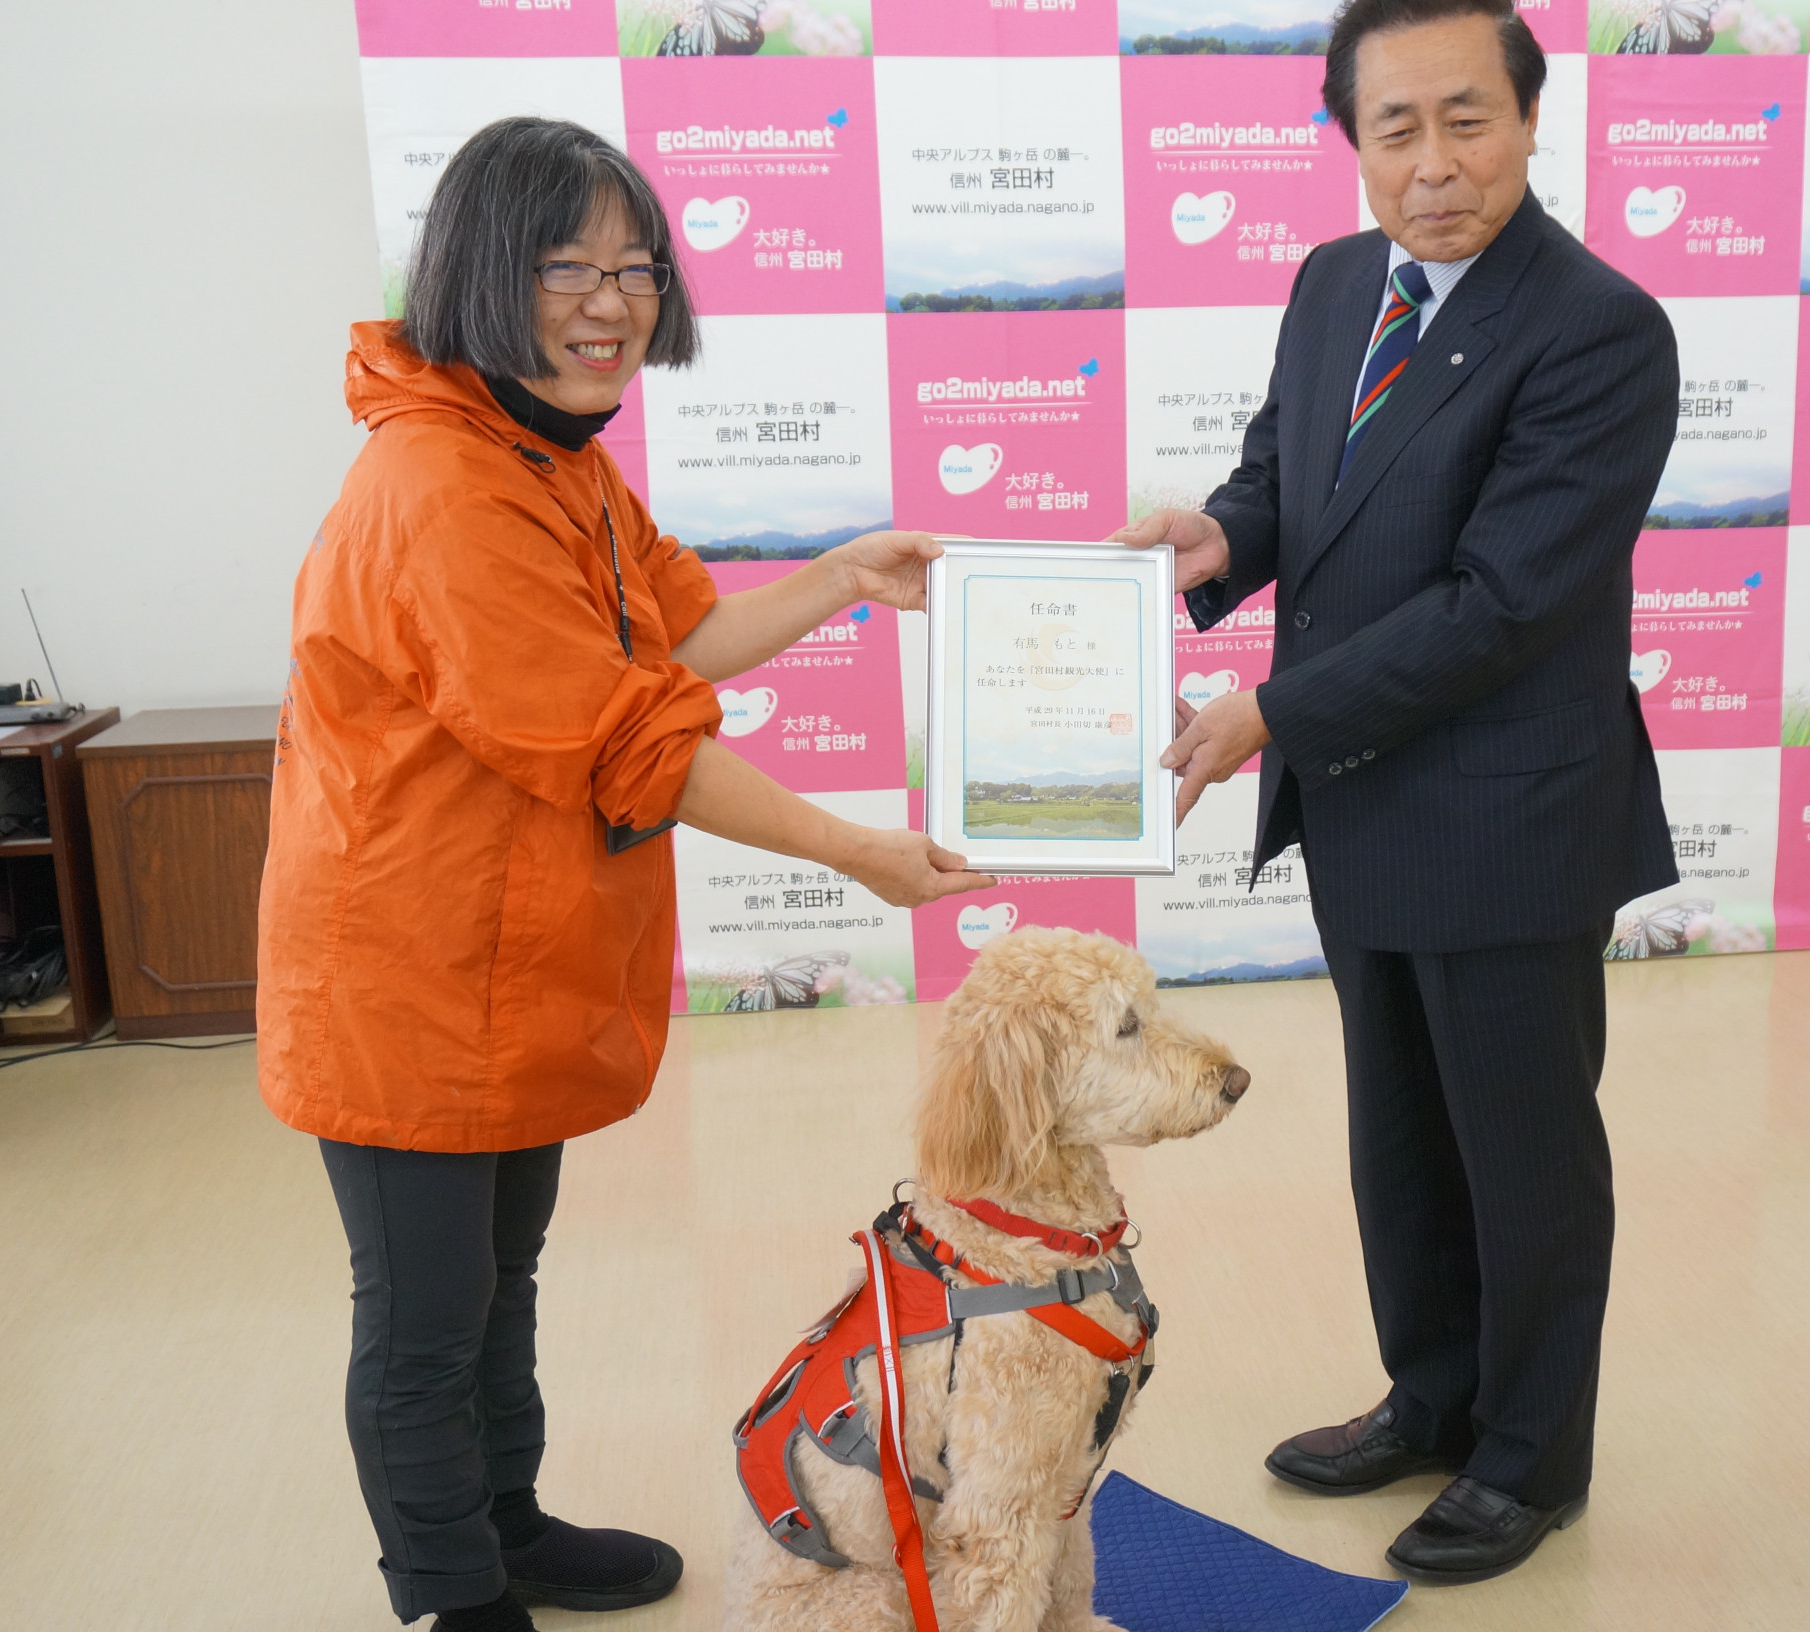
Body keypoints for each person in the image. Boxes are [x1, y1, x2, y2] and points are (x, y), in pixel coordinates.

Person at [256, 117, 993, 1632]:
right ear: (476, 273)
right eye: (565, 267)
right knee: (421, 1322)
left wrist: (843, 577)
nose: (611, 302)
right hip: (406, 986)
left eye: (635, 267)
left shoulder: (553, 456)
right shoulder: (443, 488)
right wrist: (857, 852)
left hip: (504, 969)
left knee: (497, 1285)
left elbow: (675, 638)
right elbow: (634, 742)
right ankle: (454, 1597)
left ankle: (507, 1523)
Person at [1114, 0, 1679, 1586]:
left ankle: (1529, 1458)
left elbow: (1503, 603)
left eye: (1467, 120)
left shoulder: (1597, 327)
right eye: (1394, 130)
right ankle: (1431, 1397)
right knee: (1404, 1144)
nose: (1433, 165)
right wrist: (1223, 534)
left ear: (1529, 117)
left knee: (1525, 1156)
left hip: (1508, 813)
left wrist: (1270, 713)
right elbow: (1296, 471)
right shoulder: (1333, 280)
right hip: (1366, 804)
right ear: (1348, 139)